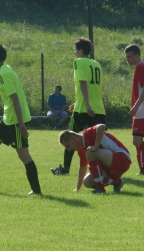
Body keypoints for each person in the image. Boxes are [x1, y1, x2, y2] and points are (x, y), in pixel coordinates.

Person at [0, 43, 42, 195]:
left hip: (15, 121)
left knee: (23, 155)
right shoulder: (5, 70)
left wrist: (22, 124)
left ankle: (37, 191)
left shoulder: (3, 73)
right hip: (8, 118)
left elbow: (15, 99)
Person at [51, 37, 106, 175]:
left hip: (84, 109)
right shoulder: (97, 64)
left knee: (68, 138)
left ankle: (65, 169)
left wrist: (85, 105)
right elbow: (94, 88)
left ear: (81, 50)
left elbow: (83, 83)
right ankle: (106, 168)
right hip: (99, 108)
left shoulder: (79, 62)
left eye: (75, 50)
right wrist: (77, 102)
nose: (75, 53)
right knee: (100, 141)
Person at [59, 124, 131, 193]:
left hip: (123, 159)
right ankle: (117, 182)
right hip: (109, 164)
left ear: (73, 139)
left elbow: (101, 126)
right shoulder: (81, 149)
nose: (69, 149)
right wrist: (77, 188)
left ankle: (100, 188)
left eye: (68, 146)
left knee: (90, 153)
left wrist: (95, 147)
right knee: (87, 182)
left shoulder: (88, 133)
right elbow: (83, 167)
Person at [125, 44, 144, 176]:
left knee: (136, 141)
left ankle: (143, 169)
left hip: (143, 110)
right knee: (139, 142)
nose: (128, 60)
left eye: (130, 57)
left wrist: (136, 106)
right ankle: (143, 170)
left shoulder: (141, 67)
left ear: (137, 55)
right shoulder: (141, 67)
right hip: (142, 110)